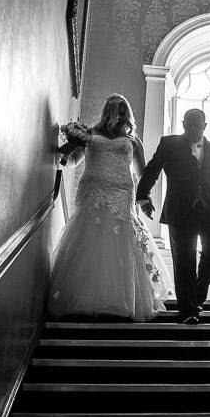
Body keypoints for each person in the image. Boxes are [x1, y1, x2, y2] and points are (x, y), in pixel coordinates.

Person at [48, 94, 169, 321]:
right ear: (107, 112)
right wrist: (68, 146)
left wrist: (145, 199)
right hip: (93, 189)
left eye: (124, 111)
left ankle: (120, 299)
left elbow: (143, 172)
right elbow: (72, 161)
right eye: (117, 111)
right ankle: (85, 297)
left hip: (123, 192)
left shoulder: (133, 141)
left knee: (121, 241)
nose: (121, 115)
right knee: (90, 239)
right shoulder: (90, 134)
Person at [136, 109, 210, 324]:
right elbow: (152, 170)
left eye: (198, 125)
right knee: (184, 261)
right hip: (180, 211)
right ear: (183, 123)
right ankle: (188, 312)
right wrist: (143, 197)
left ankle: (196, 294)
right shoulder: (169, 144)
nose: (193, 129)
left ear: (205, 125)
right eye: (189, 125)